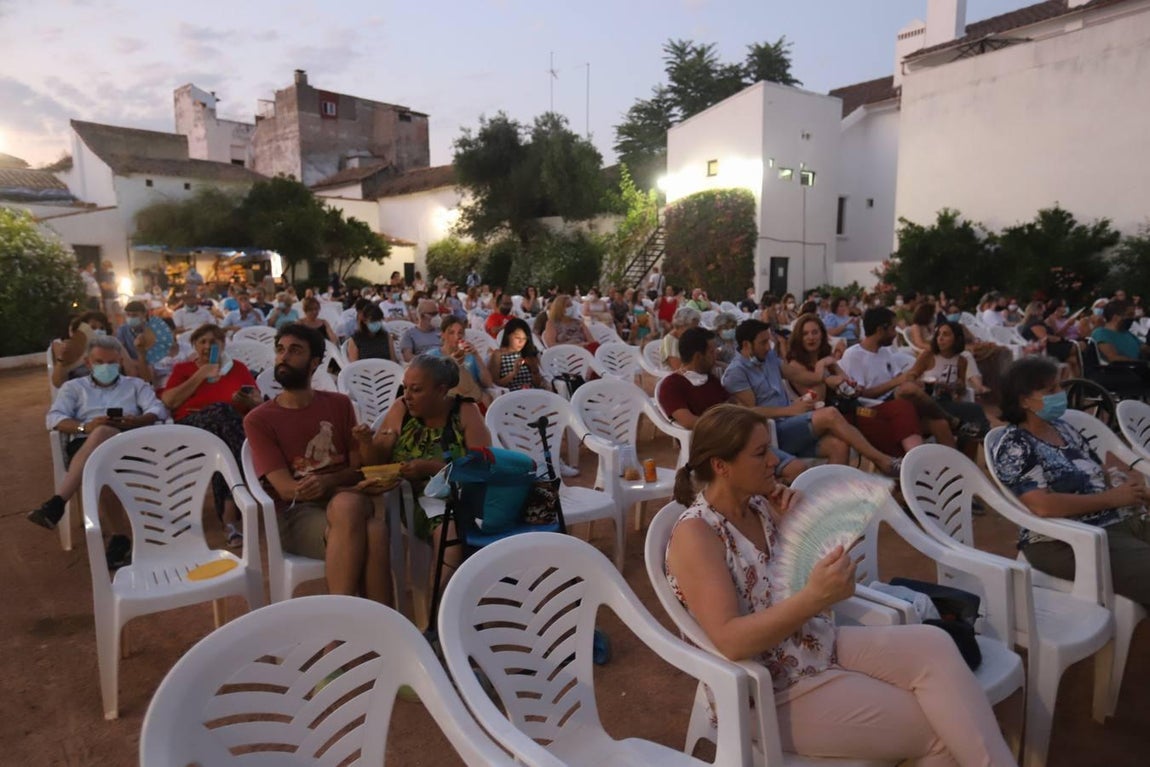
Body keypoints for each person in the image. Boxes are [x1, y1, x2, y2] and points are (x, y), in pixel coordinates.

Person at [666, 405, 1016, 765]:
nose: (775, 460)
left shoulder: (759, 505)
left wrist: (800, 530)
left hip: (812, 646)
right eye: (760, 453)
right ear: (721, 466)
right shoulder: (697, 534)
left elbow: (796, 584)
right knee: (938, 732)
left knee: (936, 644)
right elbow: (730, 640)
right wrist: (816, 597)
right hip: (767, 688)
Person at [244, 323, 393, 605]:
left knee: (357, 513)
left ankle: (354, 628)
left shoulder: (338, 405)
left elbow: (357, 468)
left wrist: (331, 481)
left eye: (295, 350)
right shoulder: (259, 419)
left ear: (314, 363)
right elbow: (287, 490)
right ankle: (376, 627)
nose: (283, 357)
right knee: (371, 528)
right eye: (280, 350)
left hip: (344, 500)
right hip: (296, 515)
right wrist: (338, 484)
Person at [991, 357, 1150, 607]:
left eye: (1059, 387)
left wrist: (1129, 483)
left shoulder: (1063, 428)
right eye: (1050, 390)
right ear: (1024, 401)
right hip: (1065, 541)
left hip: (1114, 520)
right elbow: (1042, 505)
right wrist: (1112, 498)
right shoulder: (1015, 445)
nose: (1060, 394)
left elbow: (1099, 469)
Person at [27, 336, 168, 568]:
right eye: (99, 362)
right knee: (101, 444)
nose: (106, 367)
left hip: (129, 442)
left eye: (112, 362)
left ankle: (57, 503)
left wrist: (135, 420)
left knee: (103, 441)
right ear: (88, 363)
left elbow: (157, 409)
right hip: (85, 444)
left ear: (120, 362)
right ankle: (119, 539)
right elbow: (54, 418)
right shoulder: (74, 388)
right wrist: (85, 427)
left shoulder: (135, 385)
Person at [723, 319, 900, 476]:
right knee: (830, 414)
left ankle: (830, 502)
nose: (768, 347)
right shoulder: (736, 372)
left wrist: (825, 373)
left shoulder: (767, 357)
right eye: (763, 343)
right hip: (771, 431)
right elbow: (750, 411)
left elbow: (799, 376)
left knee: (839, 445)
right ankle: (882, 460)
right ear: (747, 345)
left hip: (791, 424)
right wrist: (790, 410)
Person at [356, 354, 492, 543]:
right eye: (405, 387)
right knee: (447, 528)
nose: (407, 396)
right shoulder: (401, 410)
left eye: (416, 390)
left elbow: (481, 468)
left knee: (457, 526)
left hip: (464, 496)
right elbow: (375, 464)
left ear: (441, 390)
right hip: (414, 499)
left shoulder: (465, 412)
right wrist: (366, 443)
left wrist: (429, 468)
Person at [657, 328, 806, 484]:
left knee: (795, 469)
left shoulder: (710, 380)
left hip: (740, 441)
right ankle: (763, 490)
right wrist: (726, 426)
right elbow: (688, 421)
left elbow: (735, 406)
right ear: (698, 357)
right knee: (794, 469)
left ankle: (763, 491)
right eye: (712, 352)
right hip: (716, 450)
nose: (716, 355)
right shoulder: (672, 385)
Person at [160, 324, 261, 547]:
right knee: (221, 413)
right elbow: (169, 401)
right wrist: (200, 375)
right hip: (192, 427)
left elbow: (257, 401)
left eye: (213, 342)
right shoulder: (184, 369)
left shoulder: (237, 368)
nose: (207, 346)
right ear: (194, 345)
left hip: (231, 429)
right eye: (202, 342)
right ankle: (244, 494)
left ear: (222, 345)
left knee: (223, 440)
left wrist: (246, 400)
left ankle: (228, 517)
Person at [783, 313, 924, 459]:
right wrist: (823, 375)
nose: (811, 337)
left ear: (822, 335)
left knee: (901, 407)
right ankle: (904, 465)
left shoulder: (825, 359)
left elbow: (848, 385)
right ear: (799, 338)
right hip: (835, 419)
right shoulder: (796, 366)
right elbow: (817, 402)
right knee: (880, 424)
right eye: (805, 333)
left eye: (815, 332)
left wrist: (850, 384)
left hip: (855, 409)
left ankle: (916, 459)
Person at [839, 308, 959, 447]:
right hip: (874, 408)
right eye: (892, 329)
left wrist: (915, 382)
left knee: (940, 424)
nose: (895, 334)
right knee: (907, 390)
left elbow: (900, 377)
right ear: (880, 330)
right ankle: (952, 419)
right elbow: (861, 394)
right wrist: (898, 382)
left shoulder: (884, 351)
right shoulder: (854, 355)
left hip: (899, 401)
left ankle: (954, 465)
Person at [908, 321, 991, 450]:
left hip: (946, 402)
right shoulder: (928, 355)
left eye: (945, 334)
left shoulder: (961, 360)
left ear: (957, 338)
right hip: (927, 401)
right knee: (975, 412)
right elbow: (911, 375)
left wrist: (958, 386)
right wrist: (920, 382)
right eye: (938, 334)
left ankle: (978, 449)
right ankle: (989, 449)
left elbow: (962, 389)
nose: (940, 338)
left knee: (973, 420)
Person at [431, 316, 495, 407]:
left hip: (473, 398)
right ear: (443, 335)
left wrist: (477, 356)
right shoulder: (433, 356)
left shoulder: (470, 355)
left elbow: (488, 383)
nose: (457, 337)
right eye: (451, 333)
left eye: (460, 333)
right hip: (448, 400)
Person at [115, 300, 175, 385]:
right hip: (132, 364)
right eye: (128, 315)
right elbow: (121, 352)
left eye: (135, 315)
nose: (131, 318)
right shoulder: (122, 330)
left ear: (144, 314)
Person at [52, 311, 110, 388]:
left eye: (102, 328)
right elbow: (59, 383)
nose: (97, 331)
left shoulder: (112, 351)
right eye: (93, 327)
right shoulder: (70, 351)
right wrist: (62, 359)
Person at [489, 318, 544, 391]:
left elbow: (538, 384)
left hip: (530, 392)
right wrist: (513, 373)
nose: (521, 342)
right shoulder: (498, 354)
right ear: (508, 336)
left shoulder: (528, 353)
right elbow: (495, 384)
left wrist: (534, 370)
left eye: (524, 339)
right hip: (510, 394)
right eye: (517, 338)